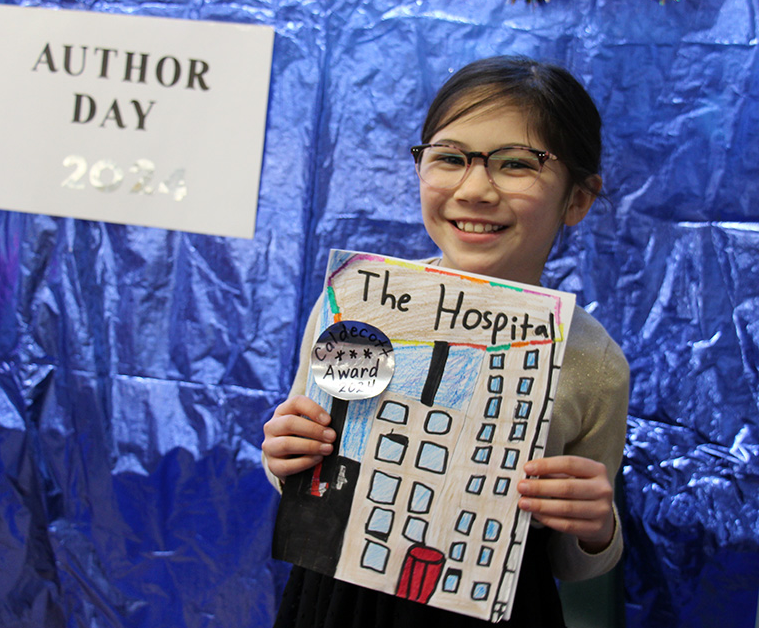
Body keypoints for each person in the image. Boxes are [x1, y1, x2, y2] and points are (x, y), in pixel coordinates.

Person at [262, 56, 630, 627]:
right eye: (451, 159)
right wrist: (286, 453)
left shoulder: (593, 361)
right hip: (336, 600)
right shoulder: (358, 303)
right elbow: (310, 468)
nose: (475, 189)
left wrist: (594, 525)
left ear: (578, 199)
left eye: (517, 164)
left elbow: (574, 562)